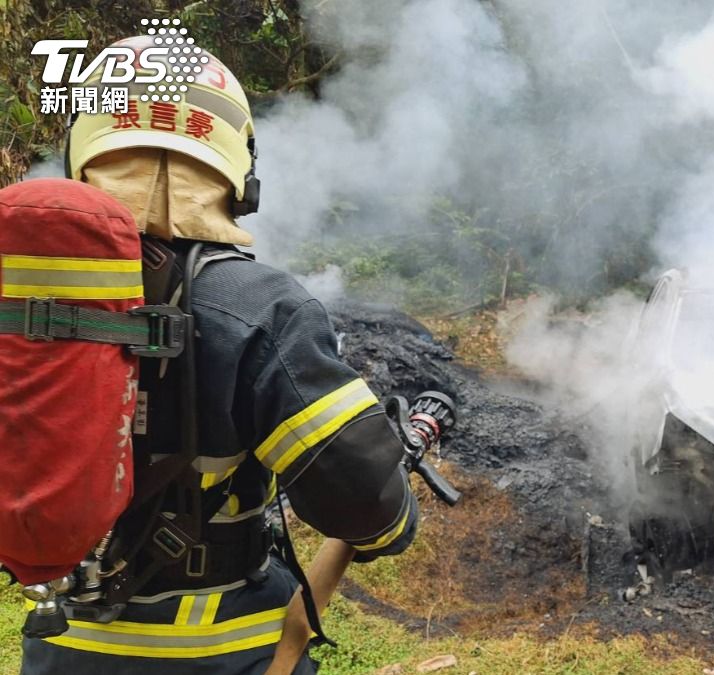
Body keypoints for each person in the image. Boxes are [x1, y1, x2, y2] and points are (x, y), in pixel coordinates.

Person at [20, 36, 421, 675]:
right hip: (230, 650)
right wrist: (395, 518)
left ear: (83, 155)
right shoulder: (260, 305)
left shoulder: (23, 300)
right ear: (236, 169)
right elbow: (365, 501)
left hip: (64, 641)